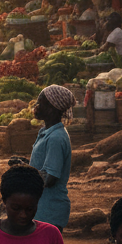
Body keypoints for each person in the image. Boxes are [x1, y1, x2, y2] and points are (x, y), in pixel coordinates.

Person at [29, 85, 75, 233]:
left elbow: (51, 178)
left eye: (40, 103)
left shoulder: (56, 138)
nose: (36, 106)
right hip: (43, 209)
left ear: (51, 108)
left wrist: (25, 177)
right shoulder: (47, 132)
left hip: (48, 211)